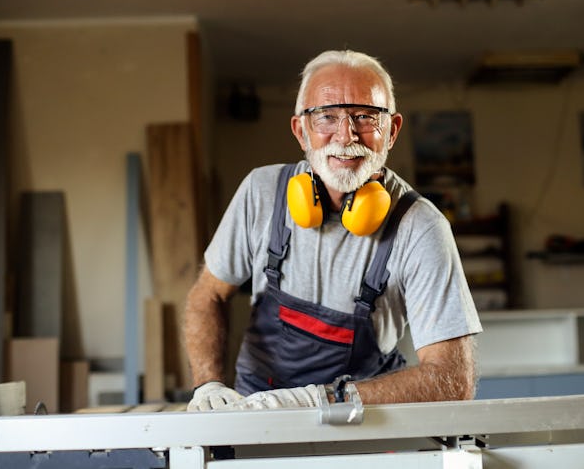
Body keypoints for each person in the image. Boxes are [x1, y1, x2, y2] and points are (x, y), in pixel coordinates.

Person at [185, 50, 482, 411]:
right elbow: (207, 295)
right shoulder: (262, 192)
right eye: (327, 116)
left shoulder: (420, 226)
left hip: (362, 421)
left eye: (365, 116)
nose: (346, 135)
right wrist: (209, 386)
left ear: (392, 131)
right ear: (301, 130)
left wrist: (320, 400)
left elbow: (453, 380)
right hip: (255, 412)